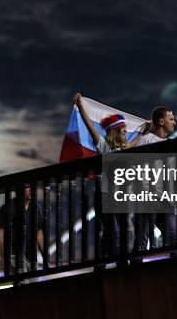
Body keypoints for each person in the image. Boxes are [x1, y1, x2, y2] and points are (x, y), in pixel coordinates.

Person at [73, 92, 129, 258]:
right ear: (116, 131)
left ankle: (100, 265)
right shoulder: (103, 145)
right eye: (124, 131)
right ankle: (121, 265)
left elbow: (132, 143)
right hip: (105, 196)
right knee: (116, 233)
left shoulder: (123, 150)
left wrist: (142, 132)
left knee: (112, 233)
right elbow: (90, 126)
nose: (126, 133)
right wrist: (80, 106)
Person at [132, 107, 177, 251]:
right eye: (171, 119)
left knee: (173, 238)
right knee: (142, 240)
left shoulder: (172, 144)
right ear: (161, 121)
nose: (174, 122)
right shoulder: (146, 140)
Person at [0, 185, 44, 275]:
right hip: (14, 255)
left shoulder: (35, 208)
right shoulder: (8, 208)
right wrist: (2, 256)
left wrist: (44, 254)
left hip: (32, 256)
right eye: (27, 186)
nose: (31, 189)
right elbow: (1, 233)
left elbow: (39, 233)